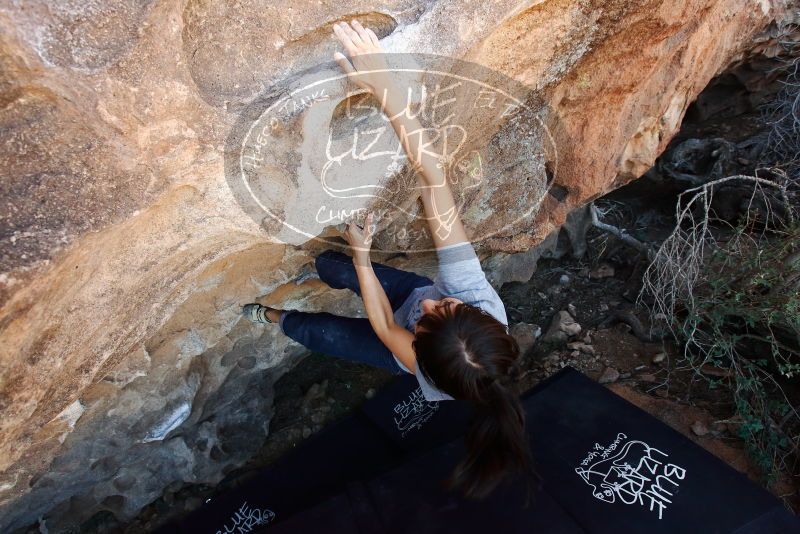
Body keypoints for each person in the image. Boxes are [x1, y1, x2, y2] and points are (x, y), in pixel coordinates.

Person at [243, 20, 535, 499]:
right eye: (447, 306)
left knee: (323, 333)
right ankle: (319, 269)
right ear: (473, 310)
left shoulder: (428, 368)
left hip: (393, 346)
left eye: (425, 321)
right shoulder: (473, 294)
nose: (429, 304)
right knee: (334, 268)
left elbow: (383, 326)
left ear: (420, 345)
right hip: (421, 315)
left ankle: (273, 316)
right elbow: (433, 180)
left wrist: (364, 256)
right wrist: (385, 88)